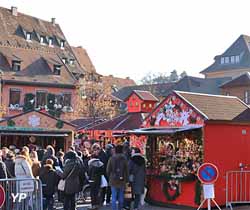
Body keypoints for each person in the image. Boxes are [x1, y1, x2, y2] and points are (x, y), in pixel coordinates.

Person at [107, 145, 129, 210]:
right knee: (121, 195)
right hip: (122, 179)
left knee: (113, 196)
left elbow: (108, 170)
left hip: (113, 179)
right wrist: (126, 179)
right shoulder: (124, 158)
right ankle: (120, 208)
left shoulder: (111, 158)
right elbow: (127, 170)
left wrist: (110, 176)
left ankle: (114, 208)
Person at [88, 143, 104, 210]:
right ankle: (97, 204)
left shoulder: (91, 163)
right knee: (97, 192)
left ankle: (93, 205)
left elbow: (89, 172)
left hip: (92, 180)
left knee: (92, 192)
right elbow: (102, 172)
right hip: (99, 179)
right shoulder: (101, 164)